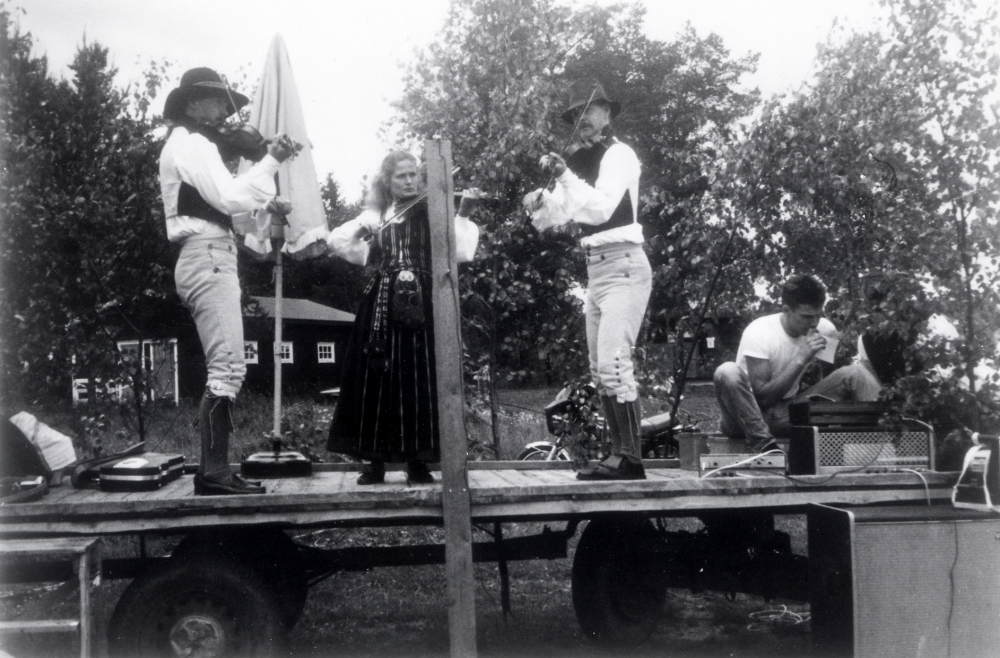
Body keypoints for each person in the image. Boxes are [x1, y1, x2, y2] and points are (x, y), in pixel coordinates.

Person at [160, 67, 298, 495]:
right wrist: (272, 160)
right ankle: (215, 474)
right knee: (228, 368)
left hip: (207, 255)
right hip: (208, 256)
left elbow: (226, 198)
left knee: (227, 366)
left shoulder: (186, 144)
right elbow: (230, 197)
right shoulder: (195, 143)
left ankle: (215, 471)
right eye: (217, 101)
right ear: (191, 105)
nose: (225, 111)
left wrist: (264, 190)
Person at [325, 151, 481, 485]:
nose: (410, 181)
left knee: (420, 377)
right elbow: (339, 243)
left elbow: (463, 252)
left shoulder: (435, 209)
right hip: (381, 303)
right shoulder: (376, 214)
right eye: (401, 176)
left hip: (424, 300)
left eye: (413, 175)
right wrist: (364, 226)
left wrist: (463, 214)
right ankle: (374, 461)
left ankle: (418, 461)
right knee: (376, 377)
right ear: (386, 182)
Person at [523, 80, 651, 481]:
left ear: (607, 113)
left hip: (624, 265)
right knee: (600, 370)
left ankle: (630, 458)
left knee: (615, 363)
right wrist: (537, 202)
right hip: (596, 270)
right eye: (576, 116)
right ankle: (619, 454)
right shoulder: (581, 164)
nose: (583, 122)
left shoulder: (619, 154)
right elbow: (554, 218)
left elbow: (599, 209)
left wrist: (564, 178)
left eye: (590, 112)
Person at [713, 274, 883, 452]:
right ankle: (766, 447)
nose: (814, 323)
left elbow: (827, 380)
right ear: (786, 310)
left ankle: (886, 441)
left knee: (856, 373)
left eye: (818, 315)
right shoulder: (759, 332)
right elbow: (763, 400)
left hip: (787, 413)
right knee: (727, 371)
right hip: (746, 418)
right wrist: (801, 359)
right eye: (807, 317)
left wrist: (826, 413)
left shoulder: (825, 329)